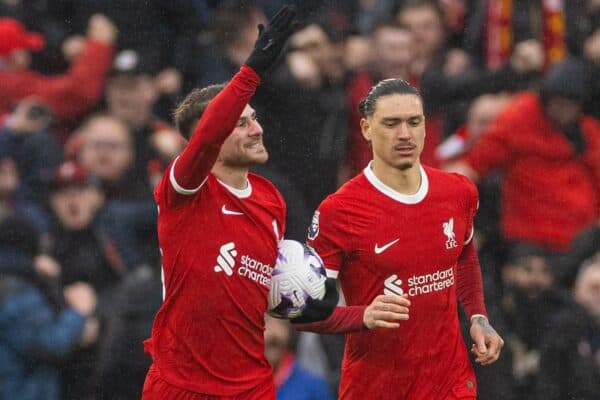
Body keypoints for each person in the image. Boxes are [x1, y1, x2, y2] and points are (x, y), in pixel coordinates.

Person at [141, 6, 338, 399]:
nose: (256, 128)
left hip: (252, 388)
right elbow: (208, 136)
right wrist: (253, 69)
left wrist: (345, 312)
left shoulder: (271, 201)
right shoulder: (182, 190)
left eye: (254, 118)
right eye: (241, 122)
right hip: (182, 387)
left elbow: (272, 290)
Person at [296, 78, 504, 399]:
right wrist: (361, 316)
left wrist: (478, 316)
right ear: (366, 128)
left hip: (450, 383)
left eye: (414, 122)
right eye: (391, 124)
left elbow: (463, 254)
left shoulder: (458, 191)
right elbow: (303, 310)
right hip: (378, 387)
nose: (405, 134)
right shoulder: (340, 211)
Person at [264, 315, 335, 400]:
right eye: (265, 322)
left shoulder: (313, 388)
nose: (274, 332)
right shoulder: (245, 384)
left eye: (281, 323)